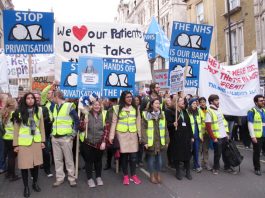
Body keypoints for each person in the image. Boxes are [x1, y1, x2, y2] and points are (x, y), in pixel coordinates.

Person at [13, 93, 46, 197]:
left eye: (32, 98)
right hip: (23, 143)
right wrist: (16, 145)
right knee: (24, 167)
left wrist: (42, 141)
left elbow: (41, 127)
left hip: (36, 141)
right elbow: (16, 129)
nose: (30, 100)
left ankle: (34, 183)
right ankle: (26, 187)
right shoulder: (18, 112)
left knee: (36, 165)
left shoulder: (39, 110)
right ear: (24, 100)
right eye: (28, 98)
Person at [109, 91, 142, 185]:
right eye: (127, 97)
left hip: (132, 136)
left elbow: (138, 123)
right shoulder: (117, 108)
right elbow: (114, 123)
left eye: (130, 97)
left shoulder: (136, 108)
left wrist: (140, 136)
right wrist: (111, 136)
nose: (130, 99)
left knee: (133, 157)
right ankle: (126, 176)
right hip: (121, 136)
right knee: (123, 157)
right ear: (123, 98)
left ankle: (134, 175)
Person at [51, 90, 79, 187]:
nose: (51, 98)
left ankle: (71, 178)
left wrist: (72, 135)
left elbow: (77, 121)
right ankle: (60, 178)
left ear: (57, 96)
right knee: (57, 160)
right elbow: (54, 121)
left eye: (53, 96)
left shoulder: (69, 106)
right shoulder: (54, 107)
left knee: (68, 159)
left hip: (66, 138)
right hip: (55, 137)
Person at [79, 100, 109, 187]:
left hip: (99, 142)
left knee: (98, 161)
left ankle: (98, 177)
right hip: (88, 142)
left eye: (98, 105)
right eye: (95, 105)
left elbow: (106, 130)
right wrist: (84, 124)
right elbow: (80, 128)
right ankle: (89, 179)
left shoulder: (104, 114)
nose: (97, 106)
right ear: (91, 106)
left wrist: (104, 142)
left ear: (101, 106)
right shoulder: (86, 114)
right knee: (89, 161)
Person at [205, 94, 237, 175]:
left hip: (224, 136)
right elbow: (208, 126)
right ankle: (215, 168)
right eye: (216, 100)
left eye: (218, 100)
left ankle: (227, 167)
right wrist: (213, 137)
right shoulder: (209, 111)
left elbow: (223, 123)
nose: (218, 101)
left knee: (226, 153)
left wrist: (226, 133)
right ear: (211, 102)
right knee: (217, 153)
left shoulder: (219, 110)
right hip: (217, 136)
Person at [142, 98, 169, 184]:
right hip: (151, 142)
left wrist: (167, 140)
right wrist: (145, 141)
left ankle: (158, 174)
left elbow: (165, 129)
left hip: (160, 142)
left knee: (159, 161)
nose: (158, 105)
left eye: (159, 103)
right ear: (151, 105)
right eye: (156, 103)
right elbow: (143, 129)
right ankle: (152, 175)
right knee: (151, 160)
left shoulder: (162, 115)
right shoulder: (146, 115)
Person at [167, 97, 193, 180]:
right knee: (177, 154)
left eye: (183, 101)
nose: (183, 102)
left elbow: (189, 125)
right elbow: (167, 125)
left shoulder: (184, 112)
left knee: (187, 153)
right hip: (176, 137)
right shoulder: (171, 112)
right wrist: (172, 125)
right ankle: (178, 171)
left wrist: (191, 136)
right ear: (176, 102)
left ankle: (187, 171)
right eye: (181, 101)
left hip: (185, 137)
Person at [33, 92, 53, 177]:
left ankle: (47, 170)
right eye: (35, 97)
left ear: (40, 98)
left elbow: (47, 119)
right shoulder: (28, 109)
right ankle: (33, 173)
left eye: (38, 97)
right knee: (33, 155)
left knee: (46, 153)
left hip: (43, 134)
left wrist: (39, 120)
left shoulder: (44, 108)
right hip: (31, 136)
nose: (37, 98)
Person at [2, 97, 20, 181]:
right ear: (13, 103)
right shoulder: (14, 113)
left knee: (10, 156)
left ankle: (9, 173)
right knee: (12, 157)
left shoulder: (4, 112)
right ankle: (12, 175)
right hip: (13, 137)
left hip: (6, 137)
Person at [247, 94, 265, 176]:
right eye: (261, 100)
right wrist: (253, 136)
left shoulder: (264, 110)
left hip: (264, 135)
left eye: (263, 100)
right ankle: (257, 168)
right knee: (257, 153)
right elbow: (250, 124)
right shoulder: (252, 111)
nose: (263, 102)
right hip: (257, 136)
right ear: (256, 102)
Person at [187, 98, 203, 173]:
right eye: (193, 103)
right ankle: (185, 165)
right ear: (190, 104)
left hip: (197, 135)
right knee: (189, 151)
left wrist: (201, 135)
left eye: (196, 103)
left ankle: (196, 165)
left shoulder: (198, 111)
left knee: (196, 151)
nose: (195, 105)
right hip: (190, 135)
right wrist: (190, 136)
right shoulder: (187, 112)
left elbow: (201, 123)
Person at [104, 98, 119, 170]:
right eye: (111, 102)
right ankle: (108, 163)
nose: (111, 103)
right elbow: (106, 120)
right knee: (109, 149)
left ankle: (118, 164)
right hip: (110, 131)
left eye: (112, 102)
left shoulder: (120, 109)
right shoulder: (109, 110)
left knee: (118, 149)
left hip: (119, 131)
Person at [198, 97, 212, 171]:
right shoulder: (198, 110)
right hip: (201, 132)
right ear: (199, 103)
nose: (203, 103)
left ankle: (206, 162)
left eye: (204, 102)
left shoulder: (209, 110)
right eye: (201, 102)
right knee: (200, 148)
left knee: (206, 149)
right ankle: (199, 163)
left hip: (208, 132)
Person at [135, 95, 144, 167]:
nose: (136, 101)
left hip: (142, 129)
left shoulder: (142, 109)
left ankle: (140, 160)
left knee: (141, 146)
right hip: (134, 130)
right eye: (135, 100)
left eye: (137, 100)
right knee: (135, 146)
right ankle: (135, 161)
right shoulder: (132, 109)